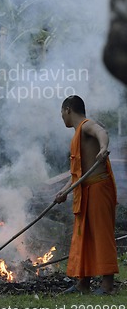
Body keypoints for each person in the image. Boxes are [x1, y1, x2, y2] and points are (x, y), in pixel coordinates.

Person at [55, 95, 118, 294]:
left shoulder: (87, 125)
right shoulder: (77, 134)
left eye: (61, 113)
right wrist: (64, 191)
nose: (62, 118)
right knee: (84, 238)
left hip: (98, 189)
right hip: (86, 191)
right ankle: (83, 284)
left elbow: (101, 131)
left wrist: (104, 147)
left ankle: (107, 286)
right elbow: (77, 174)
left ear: (67, 110)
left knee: (100, 236)